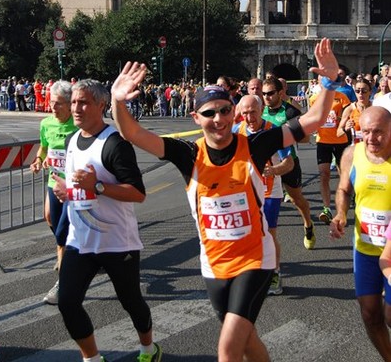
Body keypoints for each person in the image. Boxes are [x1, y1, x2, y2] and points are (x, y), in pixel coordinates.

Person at [111, 38, 340, 362]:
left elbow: (313, 120)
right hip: (214, 266)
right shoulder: (187, 155)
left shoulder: (257, 145)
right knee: (247, 341)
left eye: (223, 111)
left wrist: (329, 82)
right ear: (196, 117)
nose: (217, 118)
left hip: (255, 259)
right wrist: (116, 100)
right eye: (209, 113)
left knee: (228, 348)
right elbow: (132, 133)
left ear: (233, 113)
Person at [52, 79, 161, 362]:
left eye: (84, 102)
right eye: (74, 102)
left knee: (131, 302)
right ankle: (92, 358)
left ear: (101, 105)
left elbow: (138, 193)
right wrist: (65, 190)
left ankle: (148, 348)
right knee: (67, 302)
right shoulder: (71, 139)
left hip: (116, 241)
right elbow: (78, 184)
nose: (76, 108)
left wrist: (97, 186)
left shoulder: (114, 143)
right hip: (80, 241)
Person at [330, 106, 391, 362]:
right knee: (370, 314)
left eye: (378, 132)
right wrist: (341, 214)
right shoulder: (352, 154)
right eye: (366, 131)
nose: (371, 138)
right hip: (365, 248)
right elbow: (344, 190)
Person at [232, 95, 294, 296]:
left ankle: (274, 273)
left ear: (261, 111)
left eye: (253, 112)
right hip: (242, 192)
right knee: (243, 234)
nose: (249, 117)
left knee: (268, 234)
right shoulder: (236, 131)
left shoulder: (276, 132)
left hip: (269, 191)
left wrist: (274, 170)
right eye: (245, 113)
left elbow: (290, 163)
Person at [30, 80, 78, 305]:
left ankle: (63, 283)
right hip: (53, 182)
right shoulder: (46, 123)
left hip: (74, 188)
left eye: (58, 103)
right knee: (49, 217)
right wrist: (39, 159)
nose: (52, 107)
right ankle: (72, 249)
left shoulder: (78, 125)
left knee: (61, 234)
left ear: (70, 105)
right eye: (51, 102)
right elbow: (44, 147)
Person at [261, 77, 316, 250]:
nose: (267, 97)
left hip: (288, 162)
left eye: (270, 93)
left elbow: (307, 138)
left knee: (296, 199)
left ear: (279, 93)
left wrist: (287, 133)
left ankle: (308, 224)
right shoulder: (260, 111)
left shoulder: (291, 112)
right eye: (264, 94)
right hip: (267, 165)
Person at [309, 80, 350, 225]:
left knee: (343, 175)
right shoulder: (314, 99)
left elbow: (348, 115)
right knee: (324, 175)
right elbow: (311, 117)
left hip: (340, 141)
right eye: (322, 82)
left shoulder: (342, 97)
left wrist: (339, 120)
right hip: (323, 141)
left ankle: (343, 205)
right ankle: (326, 208)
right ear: (319, 84)